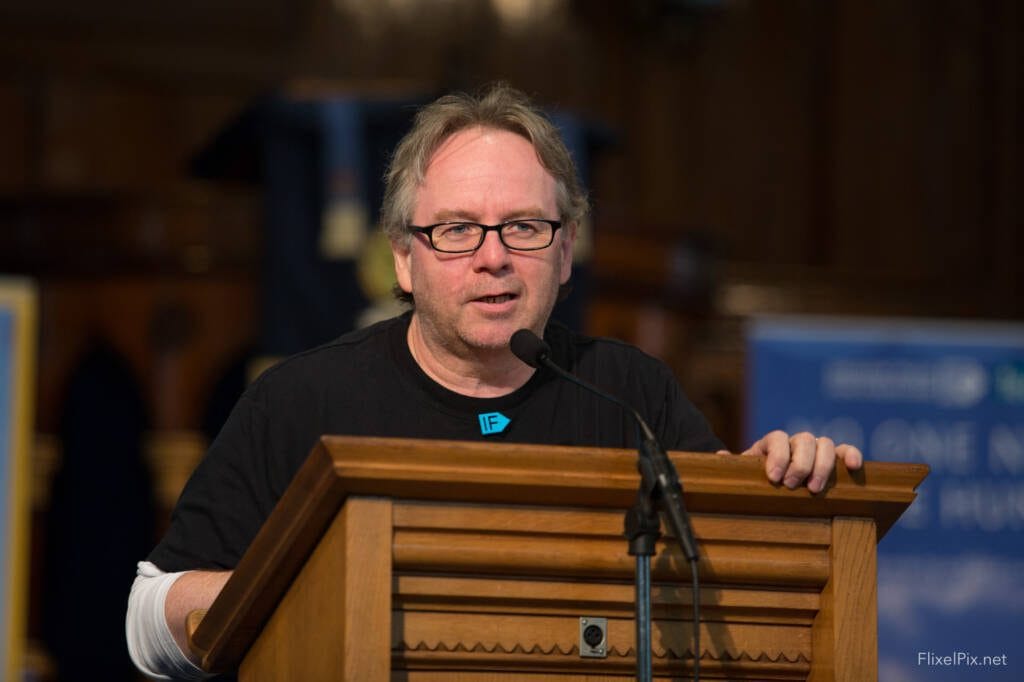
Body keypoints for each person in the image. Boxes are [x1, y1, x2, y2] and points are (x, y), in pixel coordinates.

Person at [126, 83, 863, 679]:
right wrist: (299, 594)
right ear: (403, 259)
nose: (493, 257)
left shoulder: (630, 393)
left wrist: (779, 488)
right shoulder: (301, 399)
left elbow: (727, 575)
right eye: (456, 230)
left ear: (565, 253)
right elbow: (148, 621)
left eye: (524, 227)